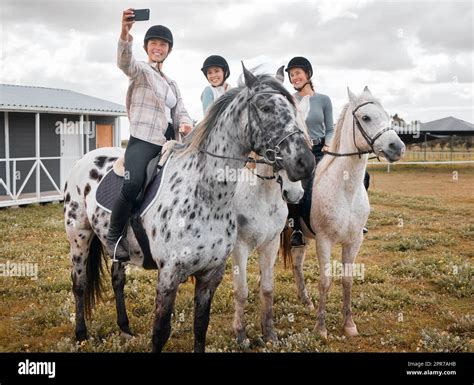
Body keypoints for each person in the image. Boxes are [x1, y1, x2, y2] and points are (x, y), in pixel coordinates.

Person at [107, 8, 193, 261]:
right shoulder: (141, 71)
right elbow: (125, 63)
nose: (158, 47)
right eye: (154, 43)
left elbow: (182, 112)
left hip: (170, 144)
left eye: (163, 44)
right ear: (146, 47)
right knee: (133, 184)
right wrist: (124, 32)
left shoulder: (172, 83)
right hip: (144, 140)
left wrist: (186, 124)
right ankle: (114, 236)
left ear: (169, 50)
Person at [285, 56, 333, 247]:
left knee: (364, 176)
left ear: (308, 74)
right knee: (300, 188)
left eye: (297, 73)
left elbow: (330, 128)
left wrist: (328, 144)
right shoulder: (289, 100)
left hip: (322, 149)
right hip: (300, 151)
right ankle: (296, 228)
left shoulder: (324, 100)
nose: (294, 77)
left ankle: (354, 220)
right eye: (291, 75)